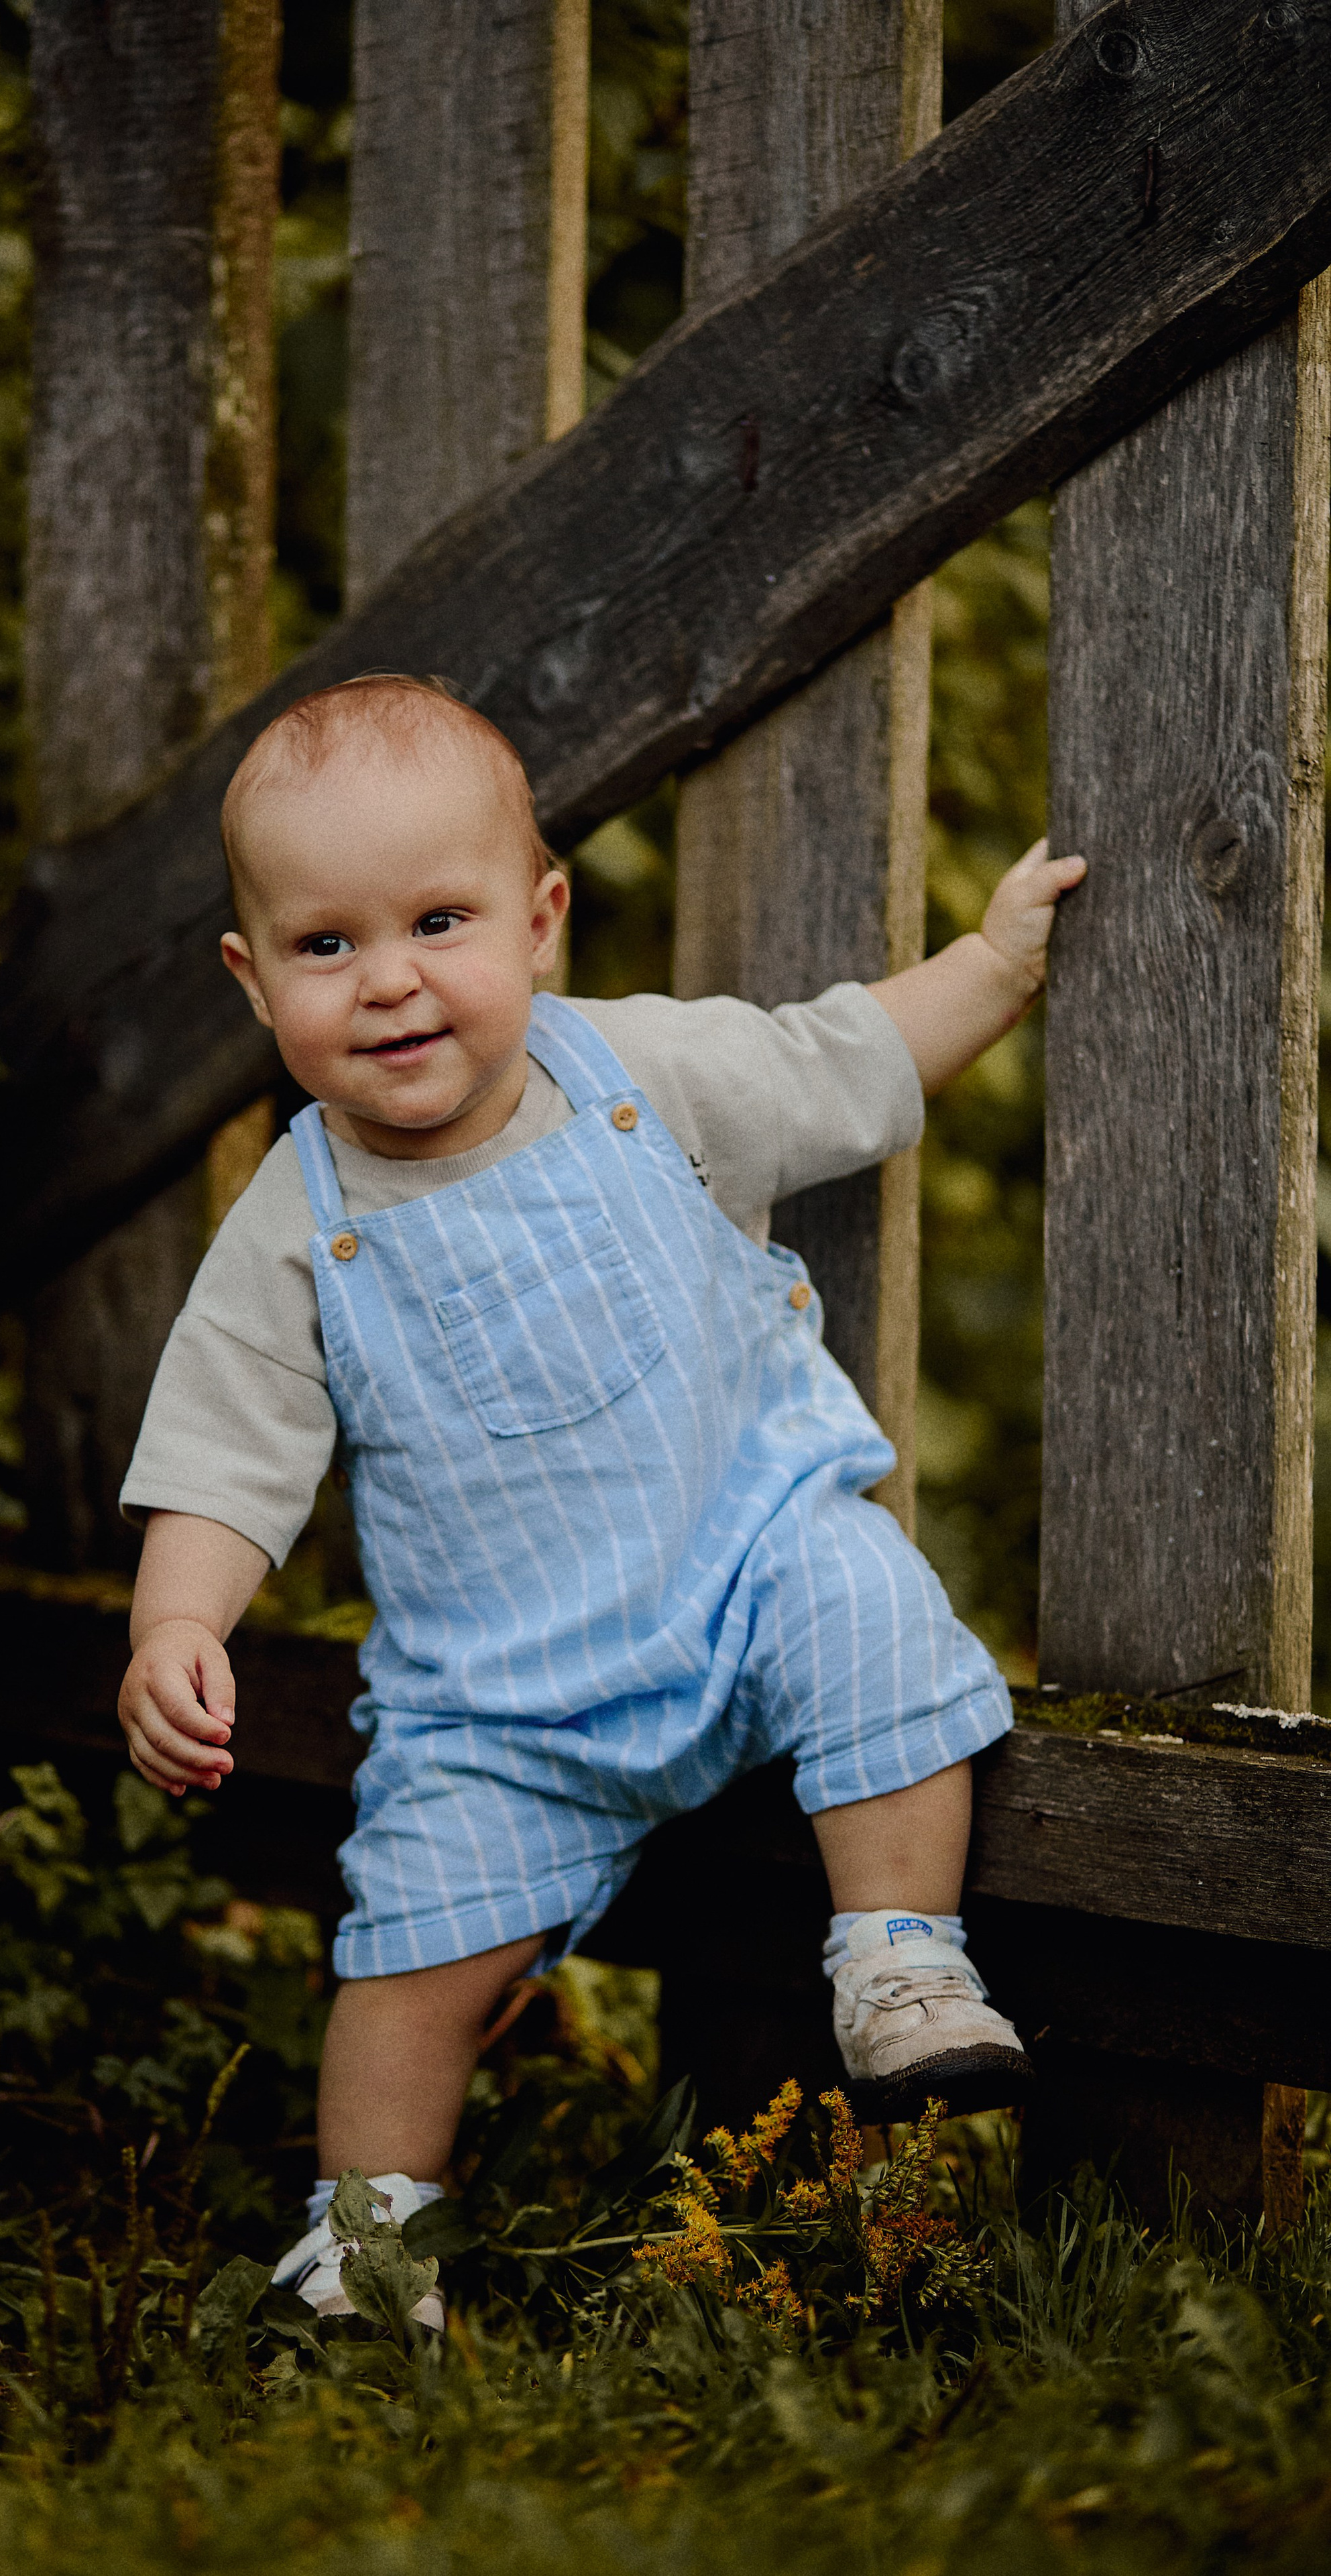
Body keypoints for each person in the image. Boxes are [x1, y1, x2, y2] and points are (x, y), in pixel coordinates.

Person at [116, 673, 1086, 2325]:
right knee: (405, 1951)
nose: (390, 979)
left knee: (873, 1611)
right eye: (326, 944)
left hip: (748, 1576)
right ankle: (371, 2244)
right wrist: (175, 1621)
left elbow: (845, 1060)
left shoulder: (646, 1073)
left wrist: (991, 967)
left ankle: (897, 1960)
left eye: (438, 921)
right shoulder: (294, 1219)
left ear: (540, 920)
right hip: (499, 1707)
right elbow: (225, 1446)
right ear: (251, 976)